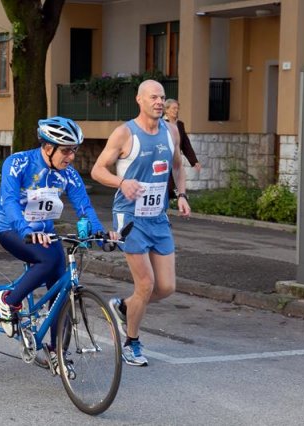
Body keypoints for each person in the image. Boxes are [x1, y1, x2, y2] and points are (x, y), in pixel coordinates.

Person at [0, 116, 118, 371]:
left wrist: (100, 232)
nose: (71, 156)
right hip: (12, 230)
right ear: (47, 147)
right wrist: (26, 229)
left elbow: (84, 207)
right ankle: (9, 300)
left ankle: (56, 352)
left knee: (60, 285)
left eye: (74, 150)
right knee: (49, 259)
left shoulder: (68, 174)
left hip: (44, 235)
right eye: (66, 150)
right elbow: (8, 202)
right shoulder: (18, 163)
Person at [91, 80, 191, 367]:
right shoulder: (124, 133)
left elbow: (177, 166)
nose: (159, 102)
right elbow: (97, 170)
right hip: (130, 217)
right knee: (145, 284)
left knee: (167, 287)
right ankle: (131, 342)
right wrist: (122, 182)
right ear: (139, 100)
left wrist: (181, 195)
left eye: (162, 97)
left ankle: (123, 307)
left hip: (158, 217)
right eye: (153, 97)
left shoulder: (171, 130)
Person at [163, 99, 201, 200]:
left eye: (177, 108)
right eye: (173, 108)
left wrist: (194, 161)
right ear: (166, 110)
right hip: (163, 158)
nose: (176, 110)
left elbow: (185, 144)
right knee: (167, 185)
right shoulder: (161, 124)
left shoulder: (180, 125)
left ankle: (173, 199)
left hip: (175, 159)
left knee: (173, 183)